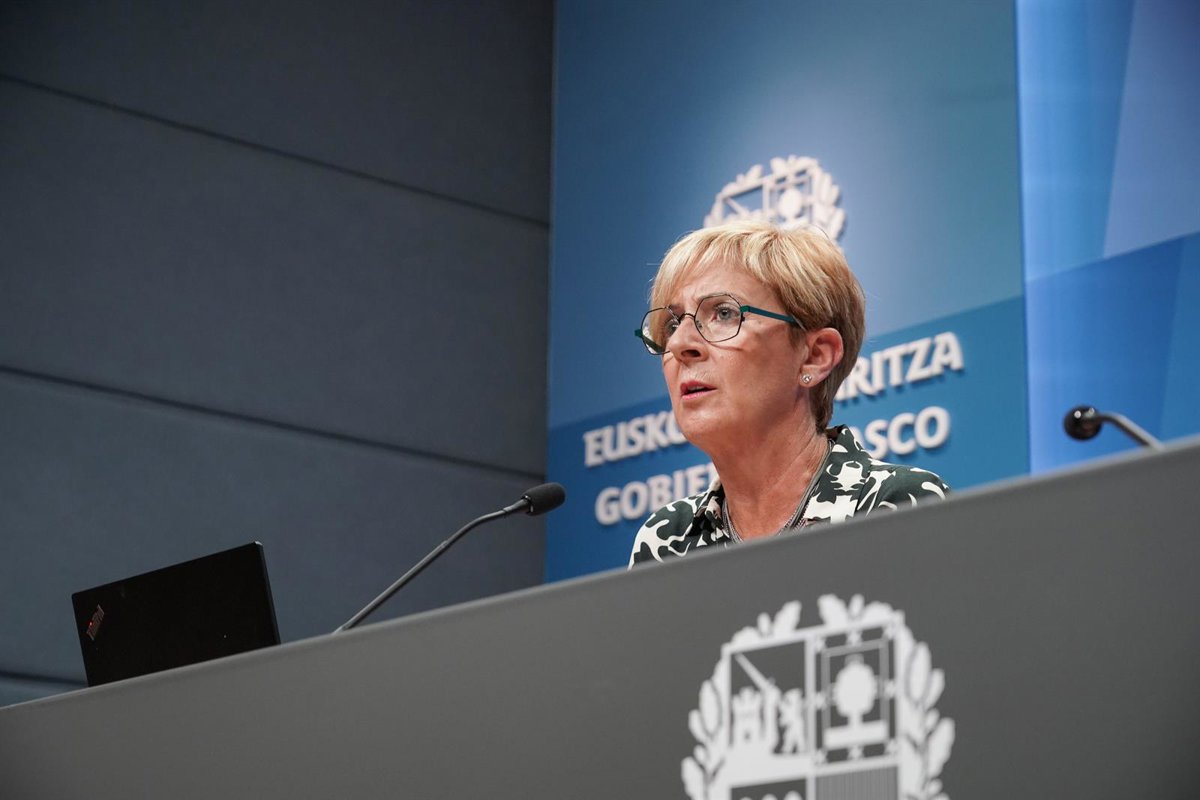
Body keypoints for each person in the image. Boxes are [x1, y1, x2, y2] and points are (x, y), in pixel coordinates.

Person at [629, 220, 949, 566]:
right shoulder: (667, 541)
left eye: (724, 313)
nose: (679, 343)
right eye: (673, 324)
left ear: (815, 356)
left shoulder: (896, 507)